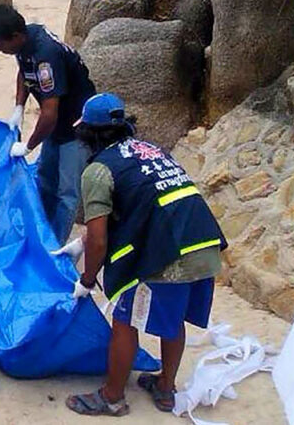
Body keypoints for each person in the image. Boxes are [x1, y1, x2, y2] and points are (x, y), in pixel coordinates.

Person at [63, 93, 226, 416]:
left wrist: (87, 278)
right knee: (174, 318)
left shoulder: (98, 171)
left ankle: (111, 397)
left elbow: (99, 239)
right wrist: (82, 241)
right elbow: (143, 202)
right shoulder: (150, 150)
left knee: (125, 321)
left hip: (166, 255)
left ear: (89, 135)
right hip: (203, 244)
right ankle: (165, 388)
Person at [0, 4, 96, 243]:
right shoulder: (26, 40)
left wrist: (29, 146)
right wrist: (19, 106)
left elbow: (49, 113)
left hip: (75, 128)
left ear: (14, 36)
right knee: (44, 179)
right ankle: (39, 228)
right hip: (55, 127)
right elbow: (24, 72)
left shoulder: (47, 57)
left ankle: (55, 244)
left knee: (67, 193)